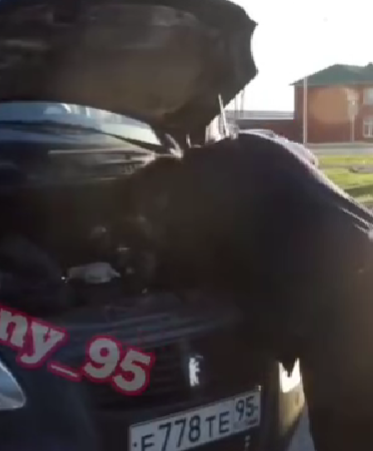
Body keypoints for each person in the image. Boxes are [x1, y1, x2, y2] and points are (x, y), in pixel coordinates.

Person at [129, 131, 373, 451]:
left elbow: (187, 262)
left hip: (340, 309)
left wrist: (147, 285)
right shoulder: (243, 148)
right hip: (360, 261)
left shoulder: (194, 193)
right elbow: (307, 159)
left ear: (159, 193)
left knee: (344, 428)